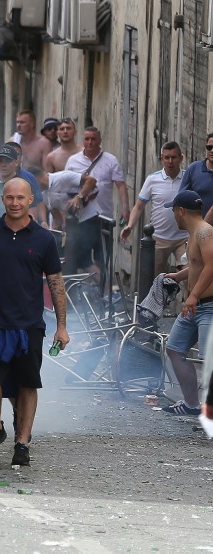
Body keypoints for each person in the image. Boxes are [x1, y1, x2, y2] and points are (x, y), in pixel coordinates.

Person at [0, 178, 69, 468]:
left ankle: (22, 443)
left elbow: (56, 282)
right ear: (2, 200)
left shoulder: (44, 239)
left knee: (27, 384)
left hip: (29, 324)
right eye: (10, 198)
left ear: (31, 199)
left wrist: (62, 325)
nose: (15, 203)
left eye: (21, 198)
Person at [159, 190, 213, 416]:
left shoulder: (204, 232)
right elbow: (198, 265)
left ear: (181, 211)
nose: (173, 216)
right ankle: (192, 404)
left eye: (173, 211)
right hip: (195, 306)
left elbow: (212, 265)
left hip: (208, 305)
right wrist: (177, 277)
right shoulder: (194, 234)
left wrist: (192, 295)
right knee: (174, 349)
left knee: (208, 360)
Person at [64, 127, 129, 274]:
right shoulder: (73, 161)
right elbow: (66, 186)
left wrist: (125, 208)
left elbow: (121, 186)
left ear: (99, 141)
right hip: (81, 217)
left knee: (102, 255)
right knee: (80, 257)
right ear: (83, 141)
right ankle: (85, 288)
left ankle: (102, 290)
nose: (90, 142)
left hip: (103, 216)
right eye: (87, 139)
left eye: (93, 139)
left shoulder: (111, 160)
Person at [120, 142, 188, 276]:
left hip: (184, 237)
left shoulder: (188, 178)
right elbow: (139, 207)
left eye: (173, 157)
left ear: (181, 158)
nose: (170, 161)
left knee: (188, 277)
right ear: (161, 158)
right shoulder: (153, 179)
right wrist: (130, 226)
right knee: (156, 280)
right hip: (159, 238)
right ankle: (161, 298)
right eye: (166, 157)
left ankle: (187, 298)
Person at [182, 132, 213, 220]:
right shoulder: (194, 168)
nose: (212, 150)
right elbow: (182, 198)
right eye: (209, 147)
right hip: (198, 229)